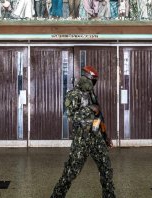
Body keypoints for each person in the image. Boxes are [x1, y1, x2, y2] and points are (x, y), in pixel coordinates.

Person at [51, 66, 116, 198]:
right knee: (71, 172)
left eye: (94, 81)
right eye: (92, 80)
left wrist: (105, 137)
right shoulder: (72, 95)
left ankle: (109, 195)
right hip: (82, 140)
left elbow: (99, 118)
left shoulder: (91, 94)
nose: (93, 84)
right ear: (85, 79)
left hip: (96, 137)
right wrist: (91, 108)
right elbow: (72, 116)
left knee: (106, 168)